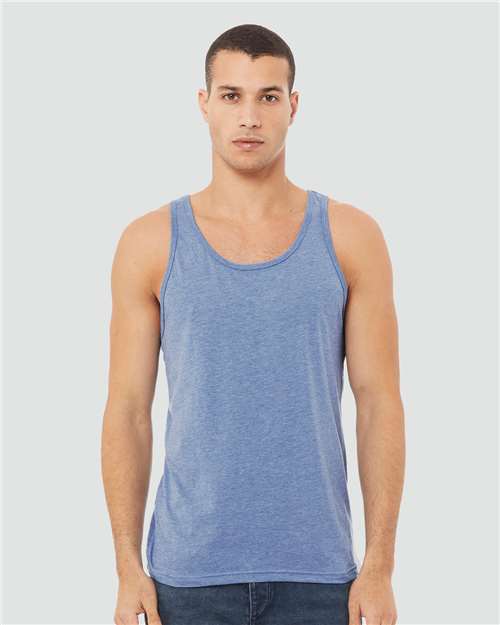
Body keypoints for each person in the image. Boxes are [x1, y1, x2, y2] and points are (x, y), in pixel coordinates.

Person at [101, 23, 405, 625]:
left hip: (319, 576)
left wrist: (380, 567)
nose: (249, 117)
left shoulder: (351, 237)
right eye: (231, 95)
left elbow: (379, 403)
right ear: (204, 104)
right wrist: (126, 566)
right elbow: (128, 410)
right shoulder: (150, 243)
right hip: (187, 578)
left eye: (268, 96)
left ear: (293, 107)